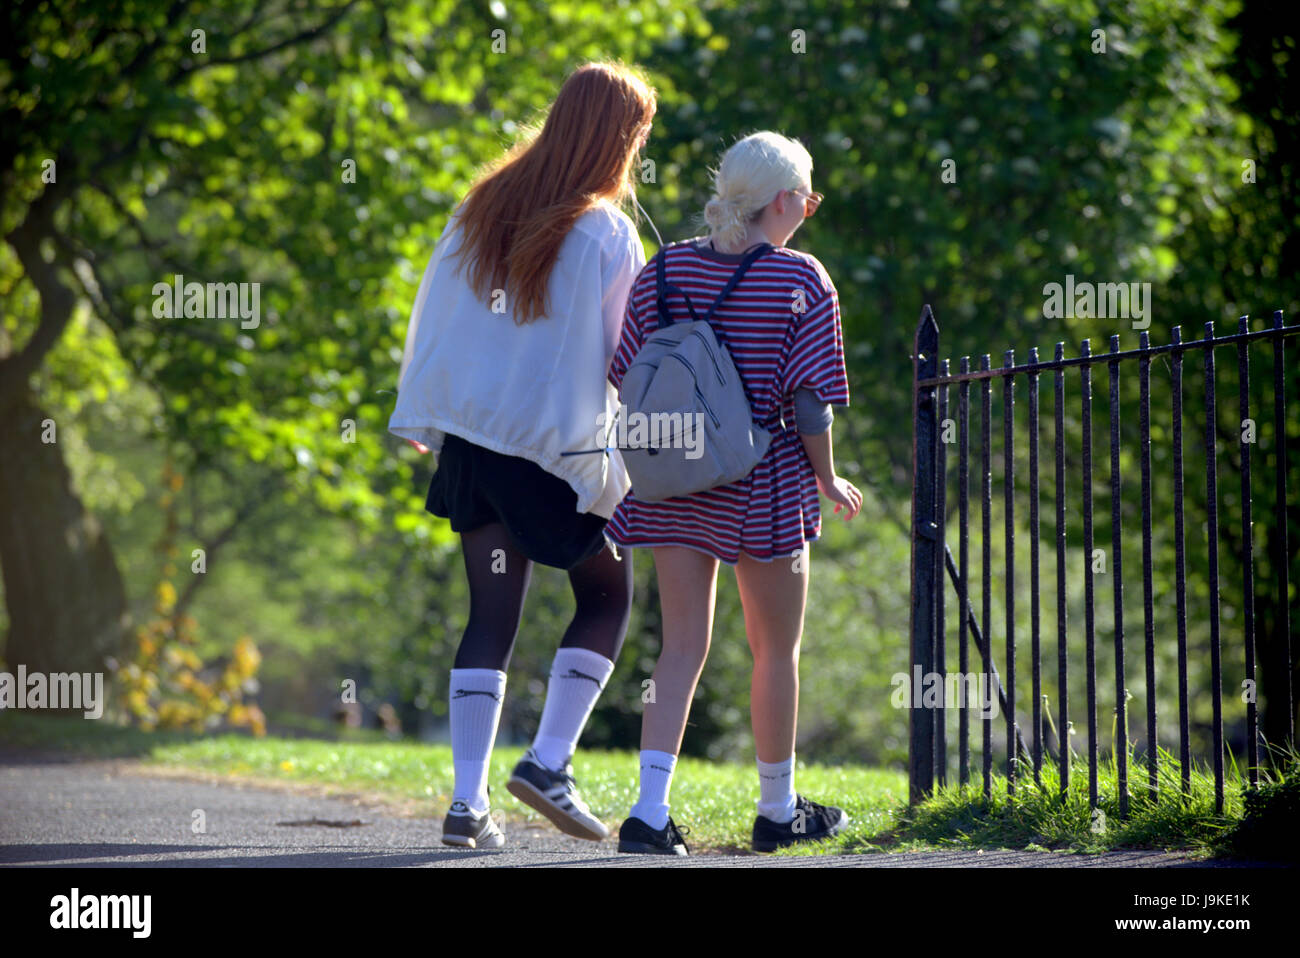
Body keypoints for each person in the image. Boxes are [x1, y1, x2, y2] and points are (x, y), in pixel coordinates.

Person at [388, 61, 656, 849]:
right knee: (607, 599)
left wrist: (425, 412)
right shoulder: (608, 231)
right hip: (550, 449)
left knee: (490, 616)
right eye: (637, 134)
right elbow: (625, 355)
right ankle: (547, 761)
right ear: (617, 136)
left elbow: (433, 312)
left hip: (474, 445)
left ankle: (468, 805)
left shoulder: (482, 204)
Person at [605, 131, 863, 855]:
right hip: (763, 481)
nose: (809, 210)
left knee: (680, 647)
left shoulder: (666, 269)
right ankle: (777, 810)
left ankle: (648, 814)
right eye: (808, 198)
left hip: (675, 480)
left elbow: (626, 372)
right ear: (785, 200)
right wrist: (826, 475)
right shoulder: (802, 280)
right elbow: (811, 404)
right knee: (774, 651)